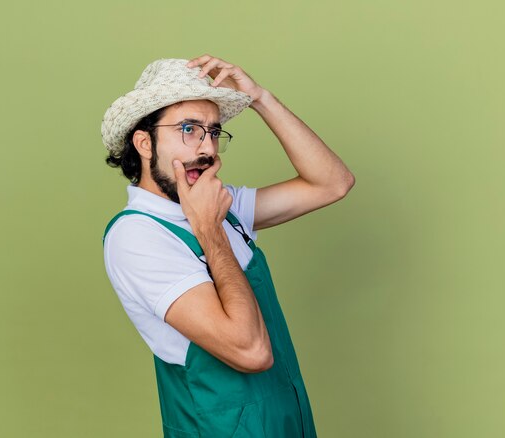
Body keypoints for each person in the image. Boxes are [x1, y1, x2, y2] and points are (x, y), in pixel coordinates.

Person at [100, 54, 355, 437]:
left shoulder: (222, 207)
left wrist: (261, 99)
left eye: (213, 132)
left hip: (286, 423)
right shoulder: (137, 236)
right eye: (188, 129)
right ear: (144, 143)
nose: (207, 148)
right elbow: (250, 351)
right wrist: (210, 229)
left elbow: (332, 183)